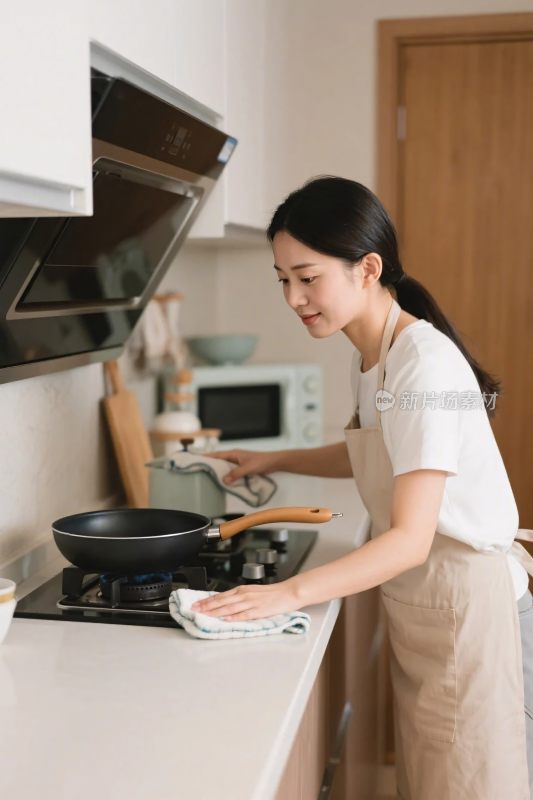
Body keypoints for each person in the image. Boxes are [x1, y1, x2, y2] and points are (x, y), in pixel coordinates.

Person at [191, 176, 533, 799]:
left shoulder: (422, 364)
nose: (293, 298)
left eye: (307, 276)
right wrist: (275, 459)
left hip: (466, 608)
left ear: (367, 268)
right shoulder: (373, 352)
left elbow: (409, 539)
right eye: (282, 280)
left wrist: (286, 594)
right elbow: (380, 452)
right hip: (432, 606)